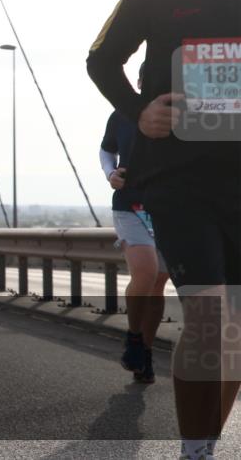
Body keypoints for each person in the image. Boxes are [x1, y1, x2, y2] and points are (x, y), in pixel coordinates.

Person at [86, 0, 240, 460]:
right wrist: (139, 110)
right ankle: (196, 451)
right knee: (205, 317)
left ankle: (203, 441)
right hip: (179, 179)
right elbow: (101, 59)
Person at [100, 63, 170, 384]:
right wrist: (110, 174)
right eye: (147, 78)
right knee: (146, 272)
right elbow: (106, 150)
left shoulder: (184, 114)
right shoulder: (123, 114)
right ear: (141, 81)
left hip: (169, 209)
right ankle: (132, 336)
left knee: (158, 283)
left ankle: (145, 349)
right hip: (130, 205)